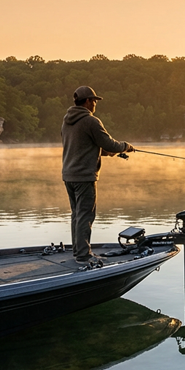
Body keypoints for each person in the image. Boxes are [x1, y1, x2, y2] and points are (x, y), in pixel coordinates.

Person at [61, 86, 134, 265]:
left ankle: (78, 251)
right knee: (85, 216)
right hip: (85, 176)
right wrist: (125, 146)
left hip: (69, 175)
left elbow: (84, 146)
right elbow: (108, 143)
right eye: (93, 100)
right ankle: (84, 256)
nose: (95, 103)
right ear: (86, 101)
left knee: (76, 214)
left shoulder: (67, 120)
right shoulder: (90, 121)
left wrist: (105, 152)